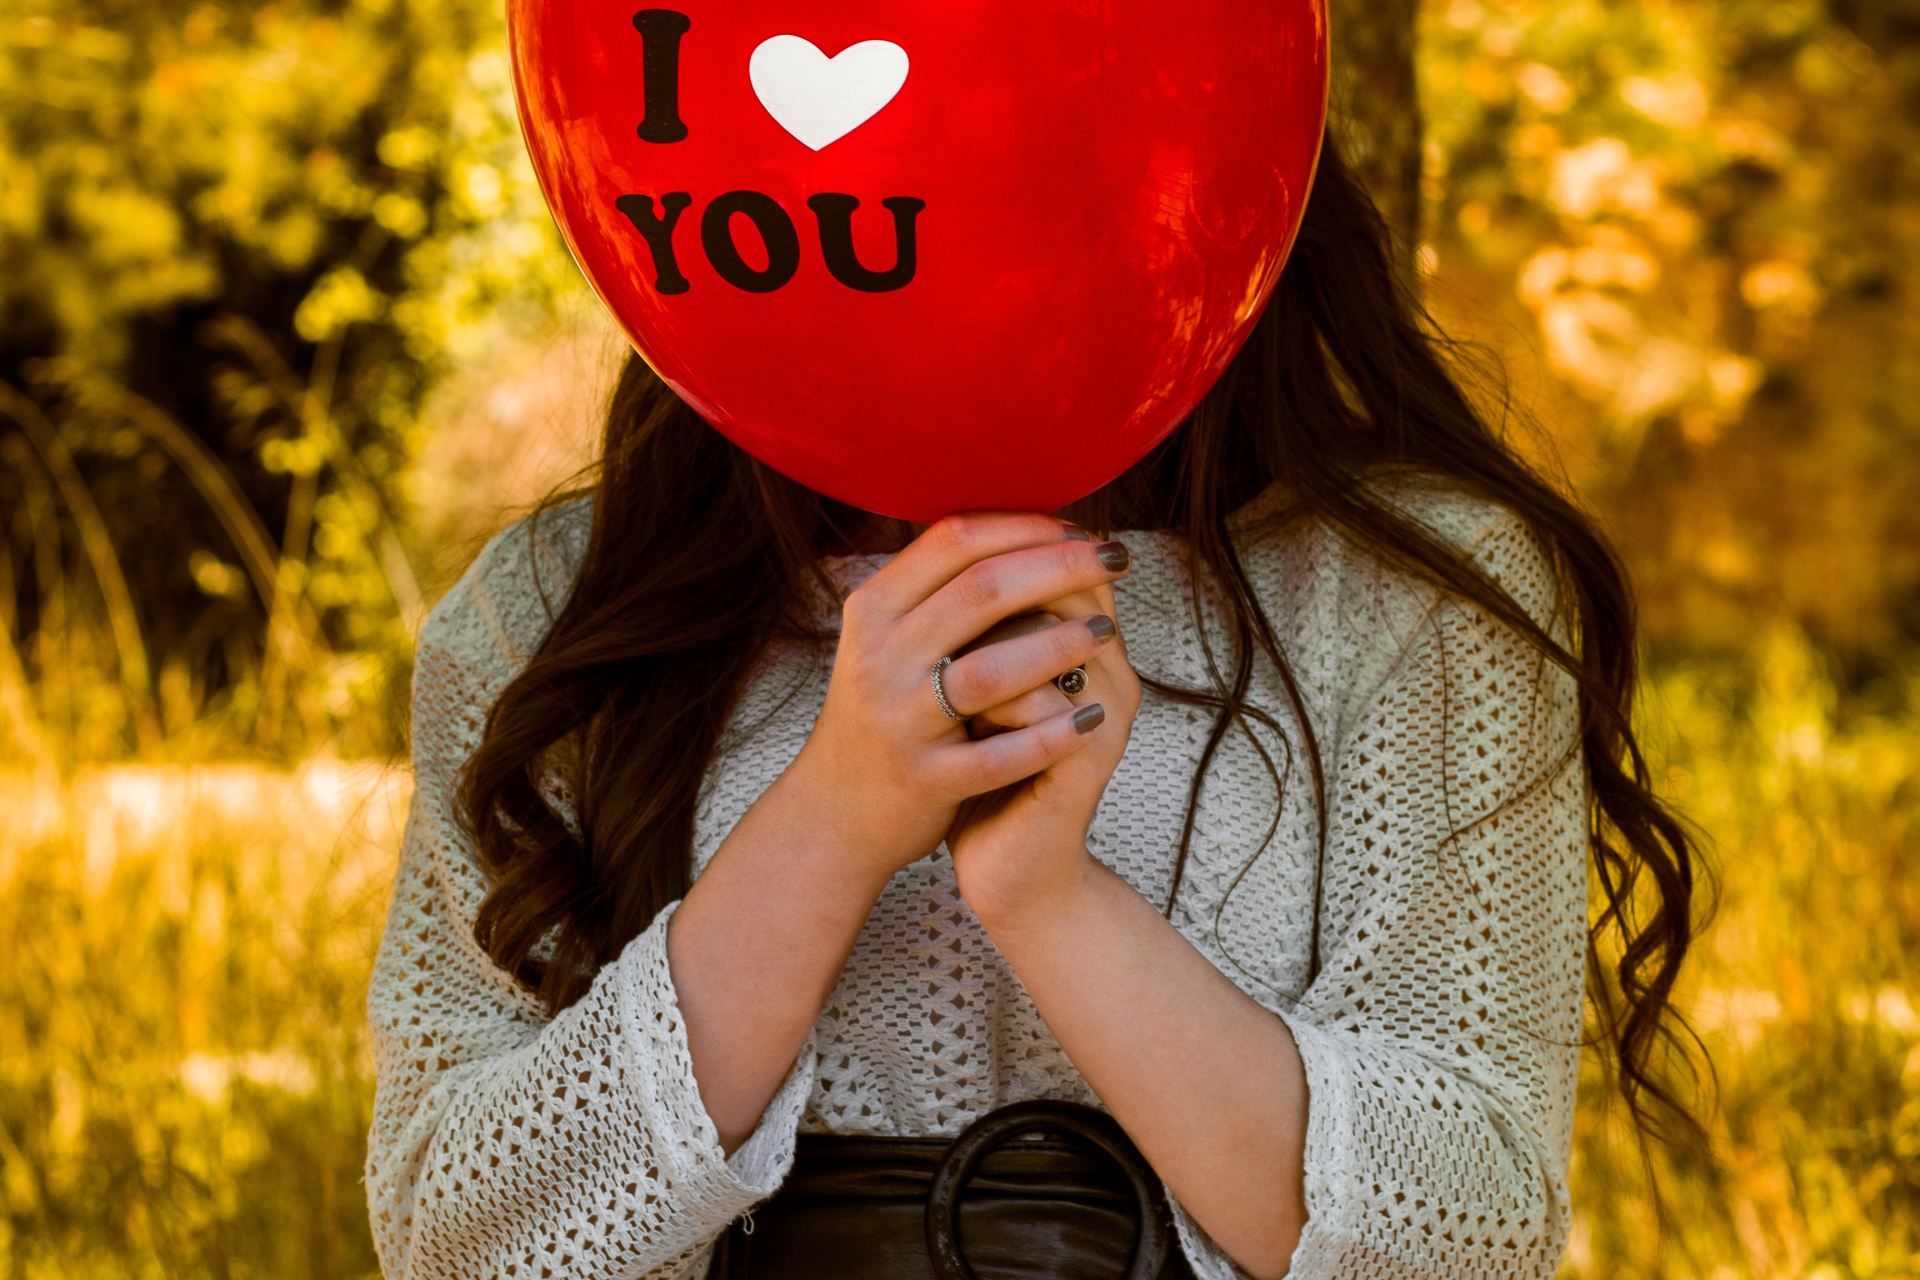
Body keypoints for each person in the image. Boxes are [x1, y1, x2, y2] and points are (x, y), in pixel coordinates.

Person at [362, 127, 1711, 1280]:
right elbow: (452, 1236)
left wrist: (1050, 901)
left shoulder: (1416, 594)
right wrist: (832, 822)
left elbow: (1468, 1234)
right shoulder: (550, 607)